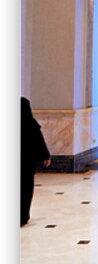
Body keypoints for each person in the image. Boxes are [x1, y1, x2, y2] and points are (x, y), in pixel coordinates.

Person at [21, 97, 51, 226]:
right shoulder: (31, 124)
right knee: (26, 189)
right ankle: (22, 215)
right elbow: (38, 141)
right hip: (27, 163)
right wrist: (45, 156)